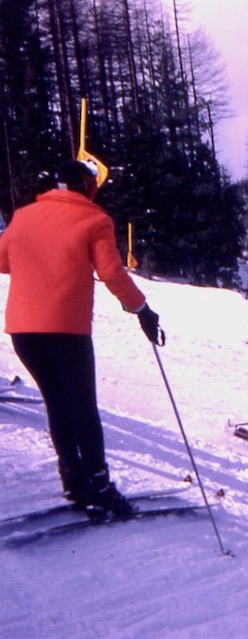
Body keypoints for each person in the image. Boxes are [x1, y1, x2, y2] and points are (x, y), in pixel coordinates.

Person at [0, 160, 161, 517]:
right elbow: (111, 273)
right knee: (83, 406)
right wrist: (142, 310)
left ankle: (73, 479)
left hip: (23, 332)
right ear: (87, 187)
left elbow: (3, 261)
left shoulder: (24, 215)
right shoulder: (94, 220)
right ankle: (100, 486)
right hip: (66, 330)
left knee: (56, 402)